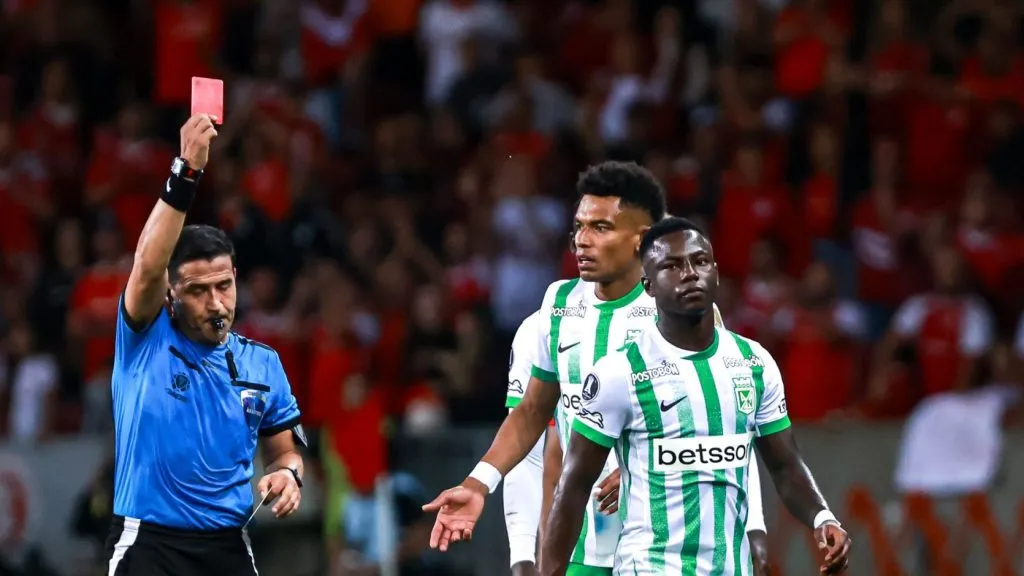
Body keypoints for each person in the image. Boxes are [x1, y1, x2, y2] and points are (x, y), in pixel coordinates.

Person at [426, 161, 769, 575]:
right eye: (578, 227)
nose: (581, 242)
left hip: (669, 547)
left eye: (600, 228)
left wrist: (640, 467)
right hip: (584, 547)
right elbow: (533, 413)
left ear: (642, 240)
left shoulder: (682, 310)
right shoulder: (559, 305)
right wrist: (478, 483)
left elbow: (723, 425)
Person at [540, 217, 852, 575]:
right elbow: (574, 485)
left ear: (716, 272)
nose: (690, 273)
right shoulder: (618, 373)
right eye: (672, 266)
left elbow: (784, 465)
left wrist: (822, 516)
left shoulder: (753, 363)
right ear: (648, 285)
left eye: (699, 261)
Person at [105, 114, 307, 576]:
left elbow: (284, 451)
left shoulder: (264, 363)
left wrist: (288, 474)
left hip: (227, 548)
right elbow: (147, 263)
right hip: (149, 545)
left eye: (224, 286)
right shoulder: (145, 338)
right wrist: (186, 171)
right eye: (198, 291)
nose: (216, 303)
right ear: (171, 294)